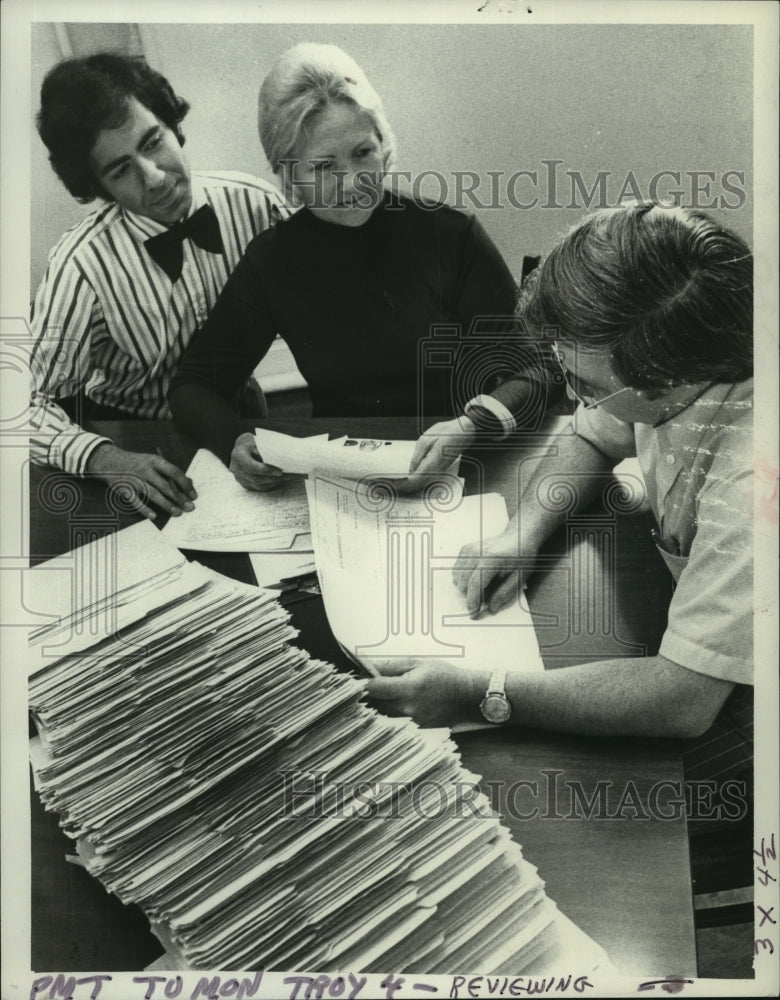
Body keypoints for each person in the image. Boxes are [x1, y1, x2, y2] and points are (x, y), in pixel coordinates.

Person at [367, 204, 753, 778]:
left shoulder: (753, 481)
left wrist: (480, 692)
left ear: (668, 379)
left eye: (585, 384)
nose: (572, 395)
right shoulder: (677, 353)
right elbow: (593, 437)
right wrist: (519, 534)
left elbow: (681, 699)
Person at [168, 43, 556, 492]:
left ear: (384, 146)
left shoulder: (450, 233)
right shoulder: (271, 259)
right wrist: (232, 441)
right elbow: (194, 385)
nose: (352, 182)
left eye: (362, 153)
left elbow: (536, 369)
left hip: (466, 462)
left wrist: (470, 427)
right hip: (346, 476)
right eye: (324, 166)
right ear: (289, 177)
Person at [30, 53, 289, 519]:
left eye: (153, 142)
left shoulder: (255, 205)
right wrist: (105, 459)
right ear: (100, 187)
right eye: (120, 170)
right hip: (137, 447)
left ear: (173, 127)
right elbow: (20, 407)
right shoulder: (80, 264)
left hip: (244, 424)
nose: (153, 177)